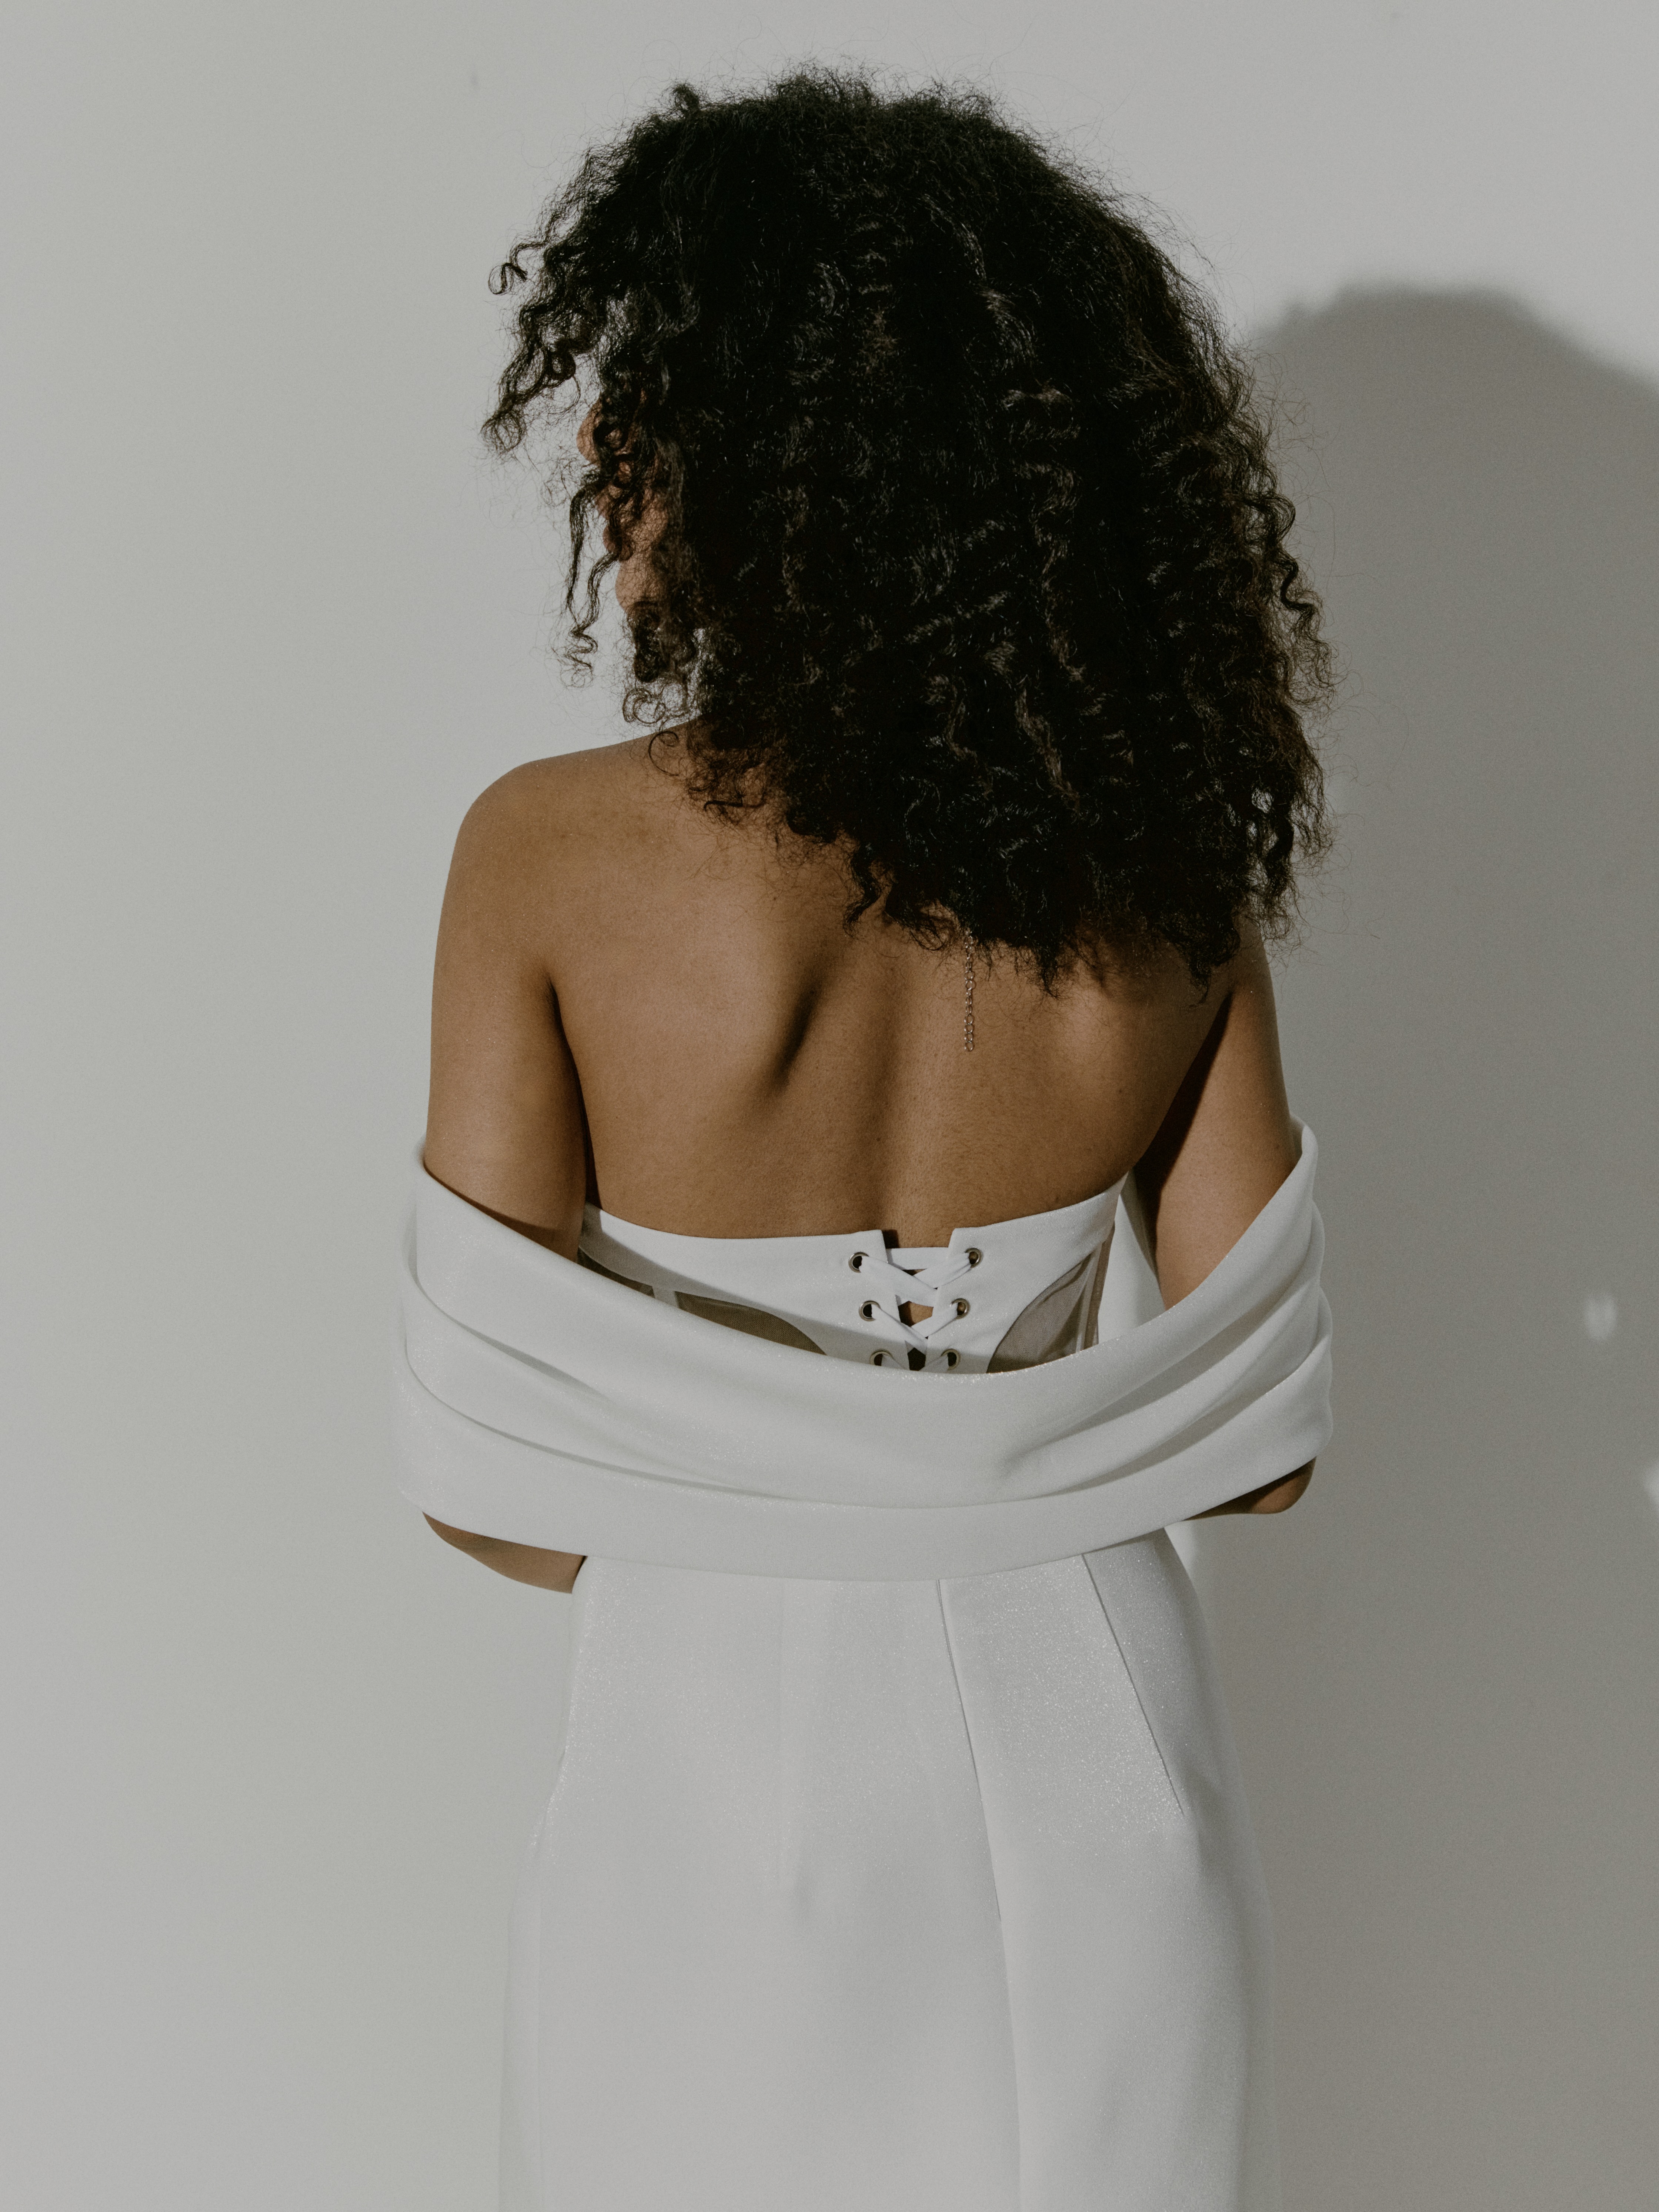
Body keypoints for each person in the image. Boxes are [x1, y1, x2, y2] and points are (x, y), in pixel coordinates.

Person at [394, 69, 1334, 2212]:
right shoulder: (1163, 877)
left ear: (792, 454)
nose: (604, 444)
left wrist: (745, 1481)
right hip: (1110, 1761)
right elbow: (1260, 1454)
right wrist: (998, 1477)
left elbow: (490, 1491)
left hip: (710, 1767)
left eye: (657, 387)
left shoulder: (548, 858)